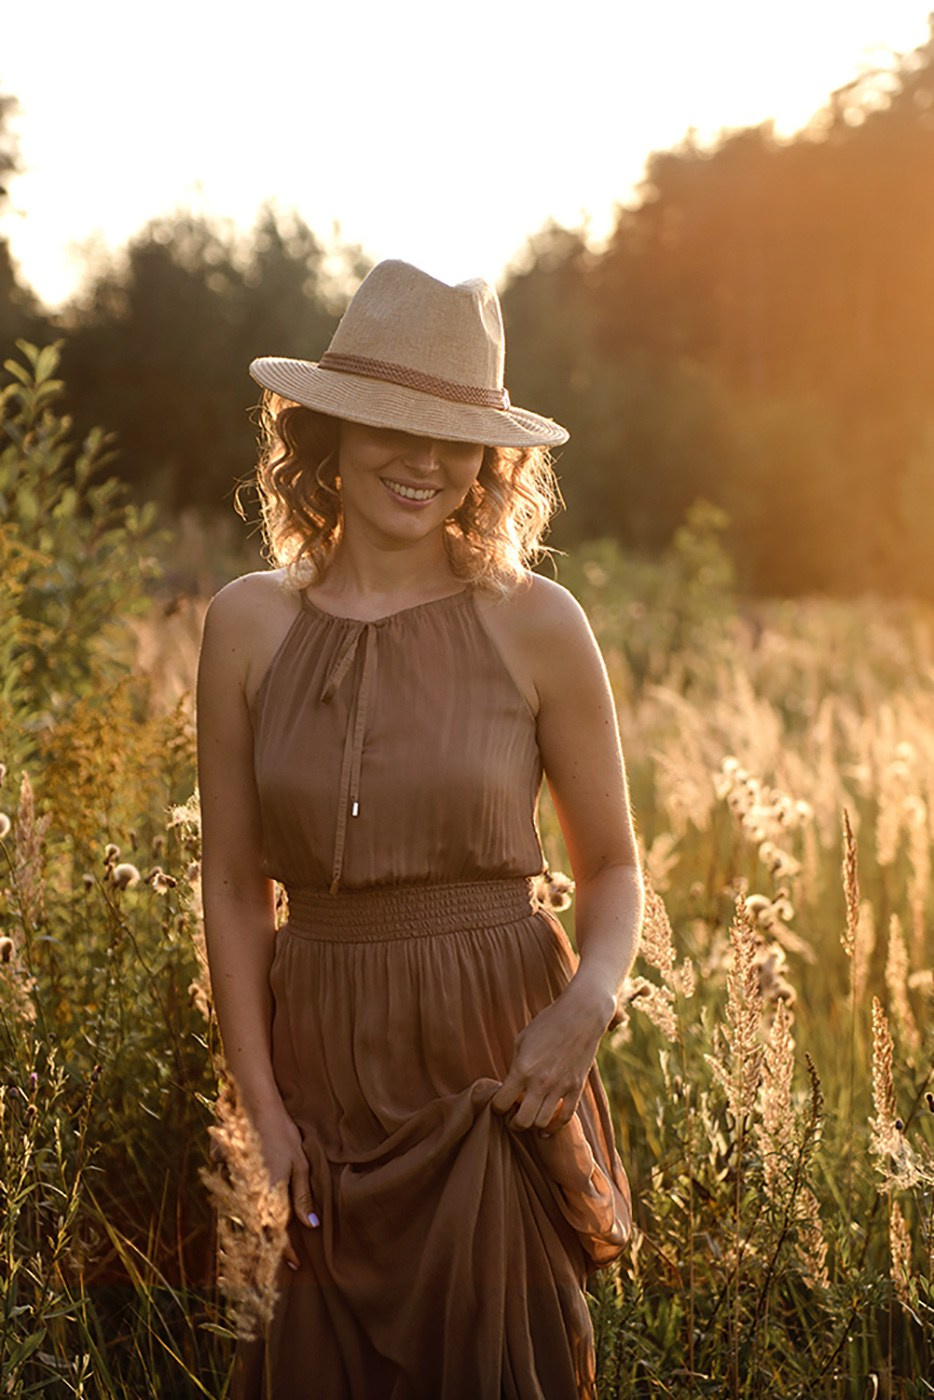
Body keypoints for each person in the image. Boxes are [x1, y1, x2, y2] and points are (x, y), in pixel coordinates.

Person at [196, 259, 644, 1400]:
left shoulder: (539, 623)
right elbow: (235, 890)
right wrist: (261, 1109)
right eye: (396, 425)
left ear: (489, 461)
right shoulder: (247, 624)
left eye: (457, 438)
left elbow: (615, 868)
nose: (426, 461)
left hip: (493, 1066)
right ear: (328, 431)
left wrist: (585, 1004)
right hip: (319, 1064)